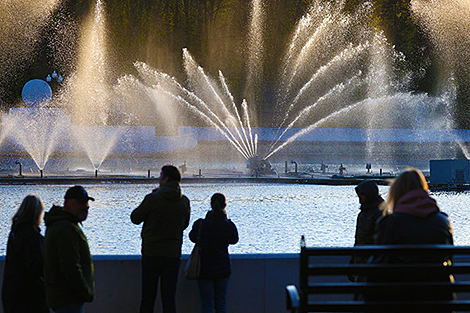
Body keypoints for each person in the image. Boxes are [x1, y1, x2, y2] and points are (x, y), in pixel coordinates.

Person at [369, 168, 454, 302]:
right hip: (438, 298)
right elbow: (450, 258)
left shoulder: (390, 222)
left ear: (396, 192)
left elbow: (378, 263)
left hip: (399, 298)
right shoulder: (442, 221)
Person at [131, 165, 191, 313]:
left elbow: (135, 218)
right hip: (172, 255)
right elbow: (184, 225)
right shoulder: (184, 201)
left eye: (160, 175)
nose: (158, 178)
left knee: (148, 297)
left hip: (152, 254)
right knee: (169, 298)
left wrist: (150, 199)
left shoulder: (153, 199)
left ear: (165, 179)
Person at [44, 186, 96, 313]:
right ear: (67, 204)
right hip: (68, 299)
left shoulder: (63, 225)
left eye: (87, 202)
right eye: (81, 202)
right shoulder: (66, 228)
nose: (86, 206)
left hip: (65, 299)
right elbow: (70, 266)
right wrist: (85, 292)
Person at [189, 193, 239, 313]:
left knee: (207, 305)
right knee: (221, 303)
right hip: (222, 268)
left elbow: (192, 237)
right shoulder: (228, 226)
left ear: (211, 205)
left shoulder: (201, 225)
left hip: (204, 268)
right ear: (224, 205)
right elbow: (234, 239)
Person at [2, 195, 49, 313]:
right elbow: (37, 266)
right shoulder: (32, 236)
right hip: (30, 294)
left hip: (12, 292)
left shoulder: (15, 232)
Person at [351, 180, 384, 264]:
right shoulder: (363, 213)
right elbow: (358, 239)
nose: (360, 197)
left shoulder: (379, 213)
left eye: (362, 194)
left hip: (372, 260)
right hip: (361, 259)